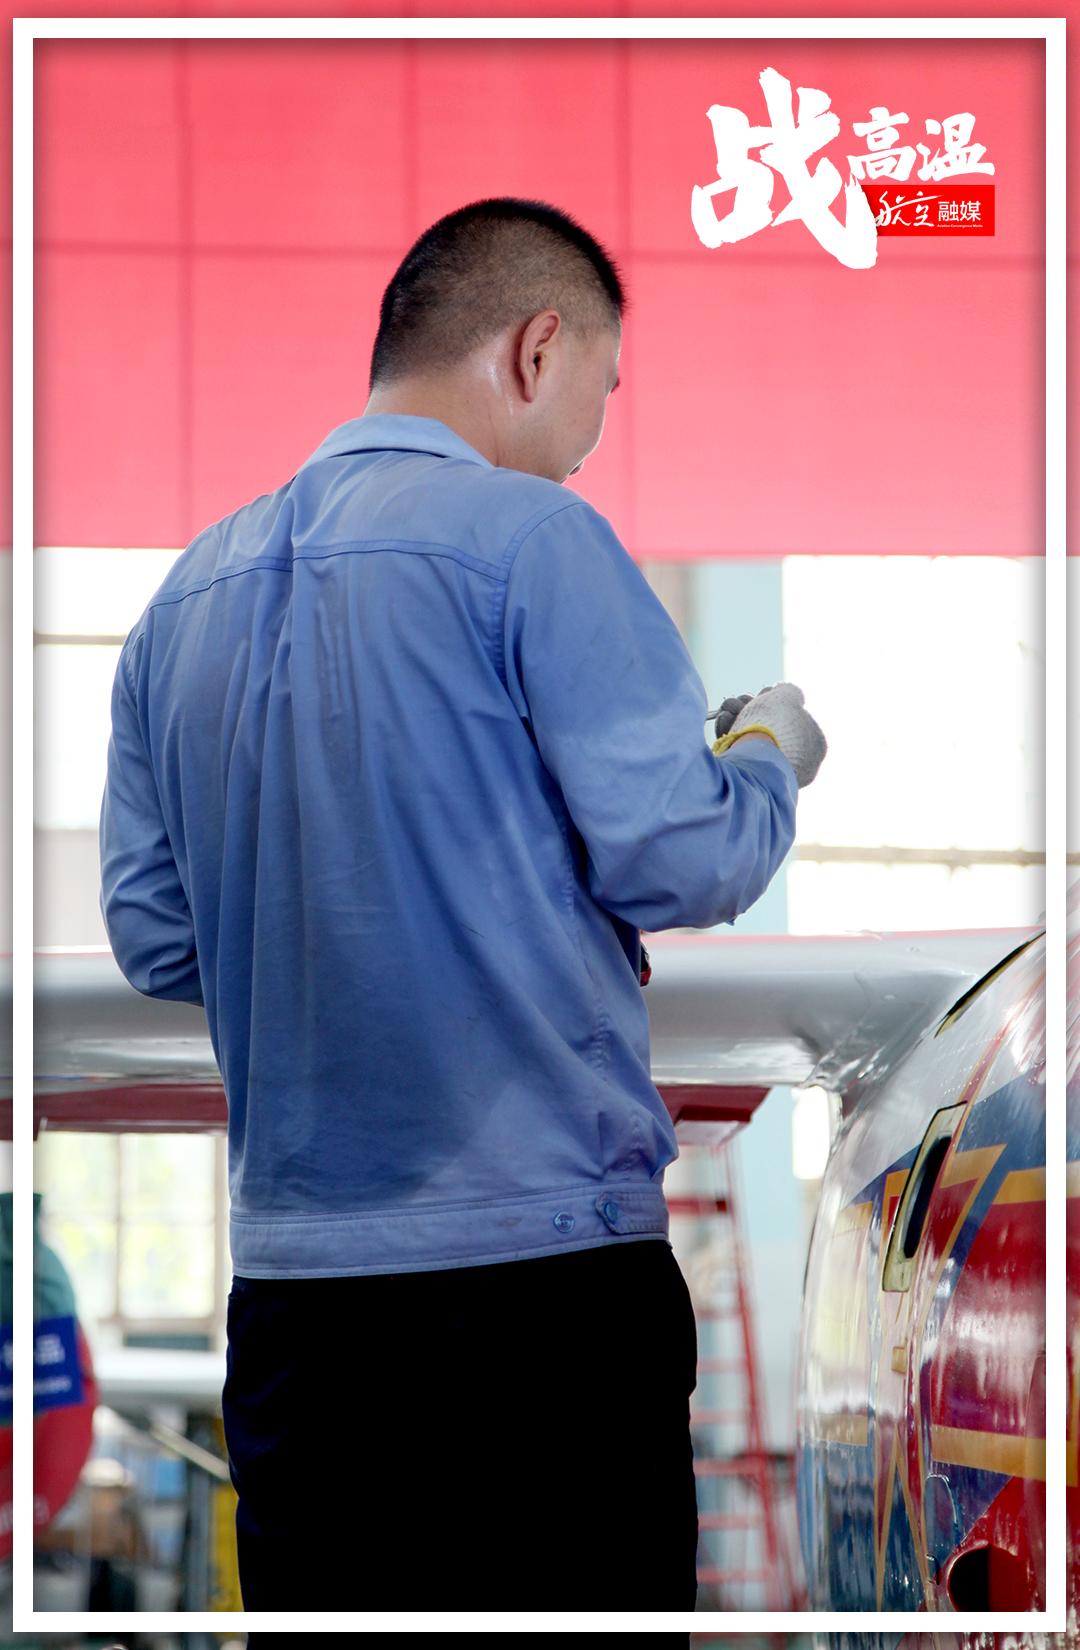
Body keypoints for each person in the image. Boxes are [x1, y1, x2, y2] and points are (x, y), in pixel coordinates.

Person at [98, 196, 827, 1621]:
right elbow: (682, 859)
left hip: (299, 1308)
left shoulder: (182, 601)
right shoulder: (534, 542)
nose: (592, 437)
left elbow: (158, 937)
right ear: (538, 349)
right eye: (601, 392)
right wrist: (765, 758)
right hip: (539, 1298)